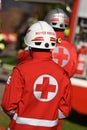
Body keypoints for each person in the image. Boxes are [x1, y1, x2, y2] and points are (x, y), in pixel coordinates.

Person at [1, 21, 72, 130]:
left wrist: (22, 116)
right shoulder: (62, 74)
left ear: (29, 42)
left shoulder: (21, 70)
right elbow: (64, 110)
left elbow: (8, 105)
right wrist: (46, 117)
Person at [44, 8, 77, 130]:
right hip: (60, 92)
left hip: (41, 89)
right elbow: (72, 70)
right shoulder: (71, 48)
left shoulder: (43, 43)